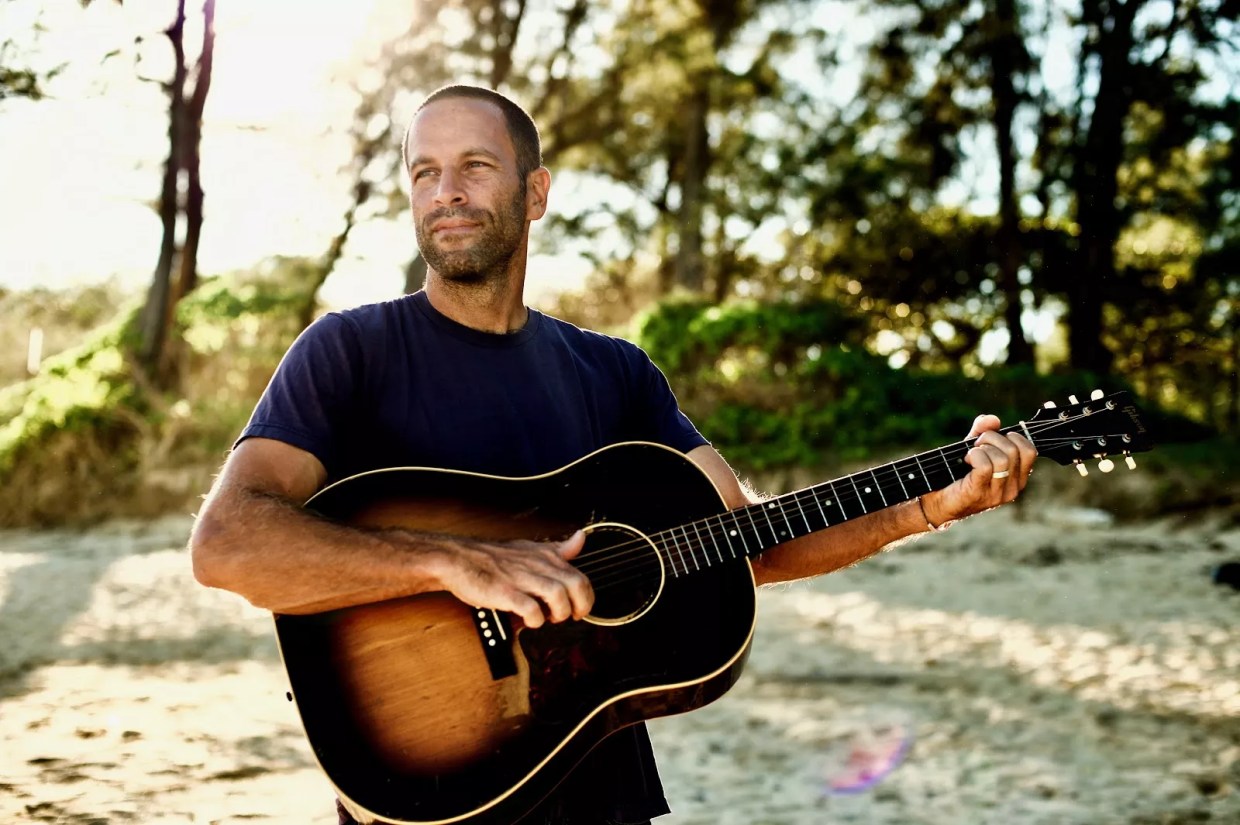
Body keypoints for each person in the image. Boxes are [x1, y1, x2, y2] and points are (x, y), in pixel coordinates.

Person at [189, 84, 1037, 825]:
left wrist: (932, 503)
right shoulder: (348, 351)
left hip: (603, 793)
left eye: (475, 166)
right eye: (423, 172)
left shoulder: (616, 372)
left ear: (536, 191)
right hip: (428, 787)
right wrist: (455, 563)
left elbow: (750, 538)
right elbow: (227, 542)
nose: (444, 193)